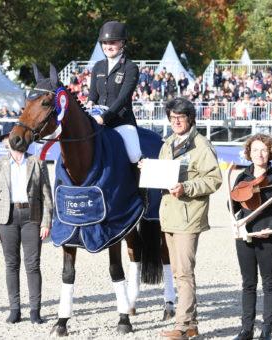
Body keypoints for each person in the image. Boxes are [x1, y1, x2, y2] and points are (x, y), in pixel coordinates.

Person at [154, 97, 222, 339]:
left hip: (188, 215)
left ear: (190, 118)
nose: (175, 122)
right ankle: (191, 325)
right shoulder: (168, 143)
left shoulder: (202, 146)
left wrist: (187, 187)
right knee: (177, 273)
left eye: (179, 118)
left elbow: (214, 180)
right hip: (170, 214)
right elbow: (162, 174)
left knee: (184, 272)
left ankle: (182, 326)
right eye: (172, 118)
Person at [0, 134, 54, 324]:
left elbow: (47, 195)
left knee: (33, 264)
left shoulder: (37, 162)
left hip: (32, 216)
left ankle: (34, 310)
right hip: (7, 218)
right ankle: (14, 309)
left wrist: (46, 222)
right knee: (11, 264)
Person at [231, 134, 272, 340]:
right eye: (255, 149)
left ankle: (266, 330)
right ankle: (246, 329)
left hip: (269, 237)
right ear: (248, 153)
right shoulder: (242, 177)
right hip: (245, 235)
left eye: (264, 150)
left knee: (268, 282)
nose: (259, 154)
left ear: (270, 152)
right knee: (248, 283)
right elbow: (233, 206)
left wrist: (271, 226)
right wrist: (236, 219)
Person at [87, 20, 141, 164]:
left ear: (122, 43)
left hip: (121, 121)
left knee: (134, 156)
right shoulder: (98, 67)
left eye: (112, 42)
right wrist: (89, 105)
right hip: (97, 119)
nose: (108, 46)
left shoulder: (130, 68)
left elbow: (123, 98)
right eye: (105, 43)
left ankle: (139, 186)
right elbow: (93, 95)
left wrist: (105, 117)